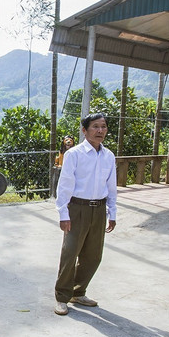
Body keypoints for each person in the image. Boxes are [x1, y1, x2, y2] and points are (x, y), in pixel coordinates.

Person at [53, 113, 117, 315]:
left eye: (103, 126)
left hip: (99, 209)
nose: (100, 131)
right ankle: (62, 297)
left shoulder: (108, 156)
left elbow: (111, 186)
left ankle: (78, 292)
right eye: (95, 126)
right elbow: (65, 185)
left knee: (93, 255)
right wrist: (63, 214)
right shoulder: (74, 154)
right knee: (70, 253)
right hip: (77, 208)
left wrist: (112, 212)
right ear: (84, 130)